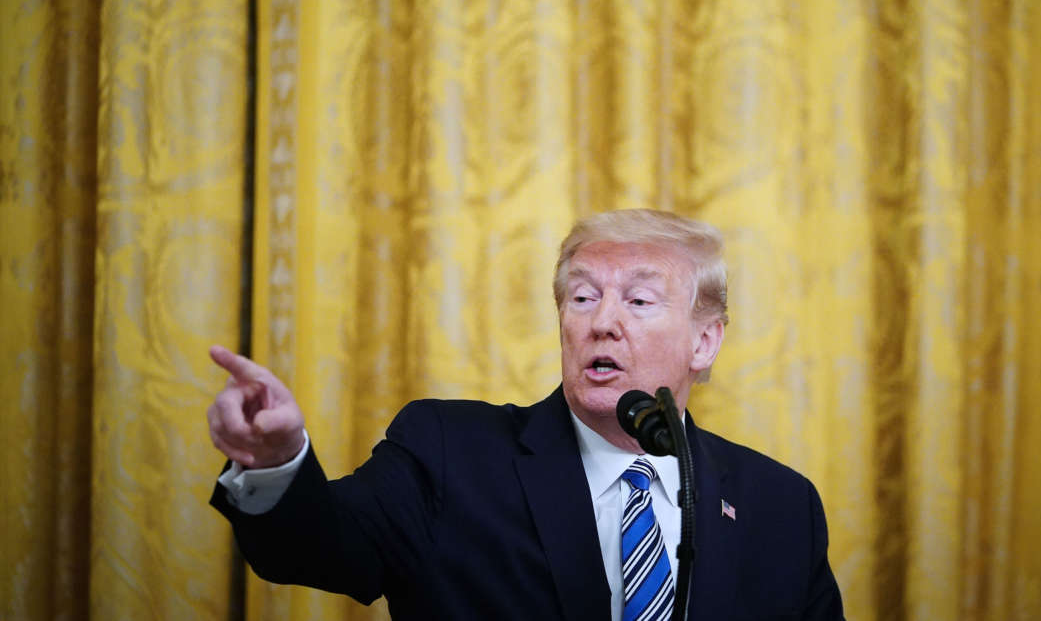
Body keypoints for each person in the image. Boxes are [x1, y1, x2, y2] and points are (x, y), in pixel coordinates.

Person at [209, 209, 844, 620]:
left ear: (704, 341)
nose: (602, 322)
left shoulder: (781, 507)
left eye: (640, 299)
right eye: (583, 296)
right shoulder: (450, 452)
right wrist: (277, 462)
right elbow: (319, 548)